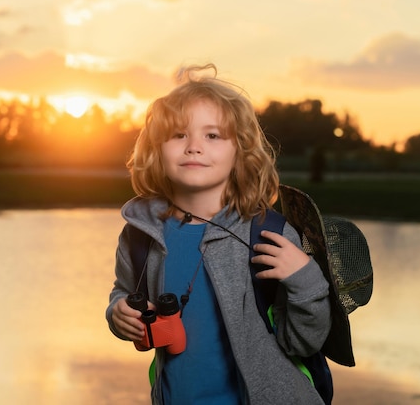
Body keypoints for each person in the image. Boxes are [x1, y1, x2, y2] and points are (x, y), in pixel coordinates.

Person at [106, 64, 331, 404]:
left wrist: (306, 279)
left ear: (239, 152)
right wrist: (118, 312)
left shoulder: (268, 234)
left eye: (212, 135)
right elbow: (124, 291)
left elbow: (303, 343)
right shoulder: (140, 235)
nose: (193, 146)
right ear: (155, 150)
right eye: (178, 135)